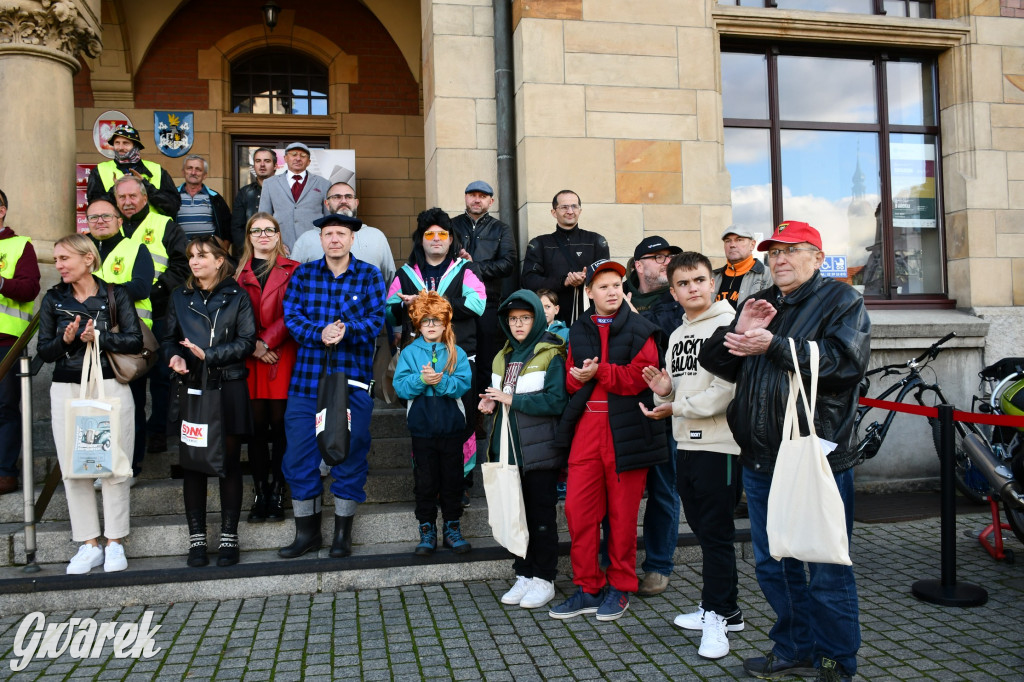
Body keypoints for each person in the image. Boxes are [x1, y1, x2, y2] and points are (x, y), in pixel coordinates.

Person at [698, 220, 870, 682]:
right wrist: (742, 325)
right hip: (759, 458)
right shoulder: (764, 301)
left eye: (793, 250)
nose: (780, 260)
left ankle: (836, 659)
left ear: (817, 257)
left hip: (816, 457)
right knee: (775, 564)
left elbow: (845, 363)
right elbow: (715, 363)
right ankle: (794, 647)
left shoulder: (842, 300)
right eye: (774, 252)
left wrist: (774, 344)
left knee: (825, 564)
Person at [548, 259, 668, 622]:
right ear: (589, 293)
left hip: (626, 431)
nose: (612, 291)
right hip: (586, 429)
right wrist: (579, 377)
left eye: (617, 284)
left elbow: (639, 378)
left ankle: (621, 587)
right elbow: (570, 382)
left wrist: (598, 371)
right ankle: (587, 587)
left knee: (622, 515)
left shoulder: (642, 328)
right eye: (603, 286)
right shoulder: (578, 329)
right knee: (579, 513)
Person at [640, 251, 740, 660]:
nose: (692, 288)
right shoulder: (678, 334)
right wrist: (664, 390)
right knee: (703, 533)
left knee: (717, 536)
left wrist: (676, 405)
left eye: (699, 280)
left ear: (712, 283)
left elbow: (727, 391)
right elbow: (672, 392)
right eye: (683, 283)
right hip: (686, 444)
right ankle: (725, 608)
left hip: (721, 446)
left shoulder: (730, 326)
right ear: (674, 291)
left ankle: (718, 618)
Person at [279, 213, 386, 559]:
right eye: (328, 234)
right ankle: (306, 534)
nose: (335, 239)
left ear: (352, 239)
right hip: (307, 384)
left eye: (341, 233)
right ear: (320, 239)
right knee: (299, 457)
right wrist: (319, 333)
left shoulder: (368, 275)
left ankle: (342, 534)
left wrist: (347, 331)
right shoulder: (304, 275)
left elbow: (376, 319)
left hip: (351, 384)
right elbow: (292, 317)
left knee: (350, 455)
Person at [38, 234, 142, 574]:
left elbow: (134, 340)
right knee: (74, 467)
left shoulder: (115, 294)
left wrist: (98, 336)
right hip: (68, 387)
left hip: (110, 384)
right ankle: (89, 543)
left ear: (87, 258)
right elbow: (44, 350)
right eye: (56, 259)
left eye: (65, 258)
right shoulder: (53, 299)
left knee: (116, 464)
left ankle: (115, 542)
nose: (59, 265)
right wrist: (66, 341)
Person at [164, 238, 256, 567]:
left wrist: (210, 355)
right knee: (193, 462)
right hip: (192, 386)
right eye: (191, 256)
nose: (194, 262)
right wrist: (175, 358)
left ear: (220, 261)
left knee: (229, 462)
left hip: (228, 386)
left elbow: (247, 341)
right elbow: (169, 339)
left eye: (202, 256)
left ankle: (229, 537)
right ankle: (197, 539)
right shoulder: (180, 295)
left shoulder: (237, 295)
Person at [386, 208, 486, 507]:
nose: (436, 239)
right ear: (421, 239)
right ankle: (428, 486)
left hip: (459, 359)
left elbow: (478, 304)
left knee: (464, 424)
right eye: (429, 234)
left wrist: (430, 303)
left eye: (442, 234)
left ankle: (461, 484)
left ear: (451, 239)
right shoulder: (405, 274)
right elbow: (388, 310)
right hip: (419, 362)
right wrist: (405, 306)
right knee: (424, 425)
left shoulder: (466, 270)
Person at [480, 290, 568, 610]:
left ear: (537, 318)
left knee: (540, 517)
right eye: (513, 319)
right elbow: (502, 397)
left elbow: (557, 401)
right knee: (515, 515)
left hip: (540, 452)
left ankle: (545, 578)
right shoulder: (503, 355)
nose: (518, 324)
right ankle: (524, 574)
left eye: (525, 318)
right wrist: (490, 402)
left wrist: (512, 400)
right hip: (509, 450)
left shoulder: (551, 353)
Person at [113, 173, 190, 455]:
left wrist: (156, 292)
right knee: (129, 378)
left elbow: (182, 266)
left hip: (159, 313)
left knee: (160, 377)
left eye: (133, 196)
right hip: (119, 319)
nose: (128, 202)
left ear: (145, 198)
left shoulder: (164, 224)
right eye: (122, 197)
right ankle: (134, 435)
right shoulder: (111, 227)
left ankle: (158, 430)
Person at [393, 291, 474, 556]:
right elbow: (401, 387)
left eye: (436, 320)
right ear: (418, 322)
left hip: (452, 430)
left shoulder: (457, 352)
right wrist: (421, 381)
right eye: (426, 320)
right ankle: (426, 529)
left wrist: (441, 382)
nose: (431, 325)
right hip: (422, 430)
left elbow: (463, 384)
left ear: (445, 323)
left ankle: (452, 527)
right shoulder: (409, 353)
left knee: (452, 481)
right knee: (425, 481)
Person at [625, 236, 684, 598]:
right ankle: (616, 560)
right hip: (624, 405)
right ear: (638, 266)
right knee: (621, 490)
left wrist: (635, 320)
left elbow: (666, 342)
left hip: (665, 405)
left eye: (669, 256)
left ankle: (658, 566)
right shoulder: (618, 293)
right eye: (656, 257)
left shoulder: (677, 300)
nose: (665, 262)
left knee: (664, 489)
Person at [236, 212, 299, 523]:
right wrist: (255, 347)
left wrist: (267, 343)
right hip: (250, 360)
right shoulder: (235, 275)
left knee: (282, 428)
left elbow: (295, 313)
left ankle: (278, 490)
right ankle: (260, 491)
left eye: (269, 230)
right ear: (249, 236)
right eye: (256, 230)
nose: (262, 235)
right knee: (256, 431)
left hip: (282, 356)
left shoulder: (295, 271)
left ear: (278, 235)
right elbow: (232, 320)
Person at [86, 198, 154, 481]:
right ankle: (97, 464)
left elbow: (140, 286)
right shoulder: (81, 250)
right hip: (87, 341)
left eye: (106, 216)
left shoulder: (135, 248)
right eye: (93, 217)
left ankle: (131, 467)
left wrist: (94, 291)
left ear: (119, 220)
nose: (99, 221)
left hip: (128, 342)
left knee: (130, 407)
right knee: (93, 406)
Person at [450, 180, 518, 399]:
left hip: (488, 304)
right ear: (465, 197)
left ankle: (484, 410)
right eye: (472, 194)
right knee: (457, 357)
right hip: (456, 304)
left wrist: (473, 267)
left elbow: (508, 263)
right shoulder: (450, 226)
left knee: (487, 359)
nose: (476, 199)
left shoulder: (501, 229)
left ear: (491, 200)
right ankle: (463, 409)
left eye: (482, 195)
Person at [0, 188, 40, 496]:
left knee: (4, 408)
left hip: (6, 342)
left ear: (2, 211)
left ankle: (5, 472)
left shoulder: (19, 245)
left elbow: (29, 290)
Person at [521, 190, 609, 325]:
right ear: (554, 212)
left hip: (591, 318)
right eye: (564, 207)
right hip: (551, 322)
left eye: (574, 206)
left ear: (580, 210)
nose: (570, 211)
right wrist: (564, 282)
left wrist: (587, 278)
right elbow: (529, 281)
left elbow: (607, 280)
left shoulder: (596, 241)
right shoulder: (539, 244)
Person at [290, 181, 396, 284]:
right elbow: (293, 280)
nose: (343, 201)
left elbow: (390, 282)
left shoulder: (376, 237)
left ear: (356, 203)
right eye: (337, 197)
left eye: (349, 197)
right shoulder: (306, 239)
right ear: (327, 203)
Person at [87, 125, 181, 218]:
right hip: (118, 231)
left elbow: (173, 206)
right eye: (117, 143)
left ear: (136, 146)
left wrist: (146, 186)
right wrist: (115, 190)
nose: (120, 147)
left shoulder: (156, 169)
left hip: (152, 231)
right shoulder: (99, 170)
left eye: (126, 143)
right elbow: (95, 209)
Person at [257, 142, 330, 249]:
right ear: (285, 158)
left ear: (309, 162)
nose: (298, 158)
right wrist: (274, 243)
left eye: (303, 156)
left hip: (315, 246)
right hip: (281, 246)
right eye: (294, 154)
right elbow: (263, 218)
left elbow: (328, 218)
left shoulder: (324, 184)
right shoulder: (270, 183)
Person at [176, 155, 232, 246]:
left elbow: (227, 227)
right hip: (179, 254)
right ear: (183, 172)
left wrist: (223, 249)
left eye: (198, 169)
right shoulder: (172, 196)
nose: (193, 172)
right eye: (189, 168)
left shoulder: (215, 198)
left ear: (205, 175)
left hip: (209, 253)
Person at [713, 225, 773, 310]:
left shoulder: (768, 275)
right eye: (727, 241)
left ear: (752, 245)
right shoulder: (713, 277)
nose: (732, 245)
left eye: (739, 240)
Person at [231, 147, 277, 255]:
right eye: (258, 161)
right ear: (254, 166)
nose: (262, 165)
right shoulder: (245, 192)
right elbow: (237, 227)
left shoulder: (284, 190)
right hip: (250, 253)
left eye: (267, 161)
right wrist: (249, 249)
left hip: (279, 250)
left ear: (275, 166)